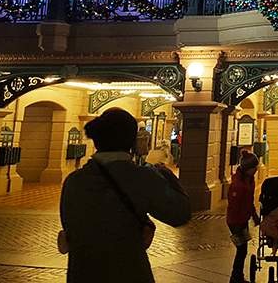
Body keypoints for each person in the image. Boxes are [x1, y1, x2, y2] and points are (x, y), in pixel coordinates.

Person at [59, 108, 191, 283]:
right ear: (132, 142)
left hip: (82, 273)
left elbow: (70, 226)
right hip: (129, 271)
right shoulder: (142, 177)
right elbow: (179, 214)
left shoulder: (74, 181)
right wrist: (166, 175)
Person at [226, 150, 261, 283]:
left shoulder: (249, 180)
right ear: (248, 169)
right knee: (241, 250)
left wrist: (254, 216)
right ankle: (235, 277)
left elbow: (249, 201)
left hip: (243, 220)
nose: (256, 169)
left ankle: (237, 276)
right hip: (235, 222)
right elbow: (234, 206)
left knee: (242, 250)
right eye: (254, 167)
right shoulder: (238, 185)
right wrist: (240, 224)